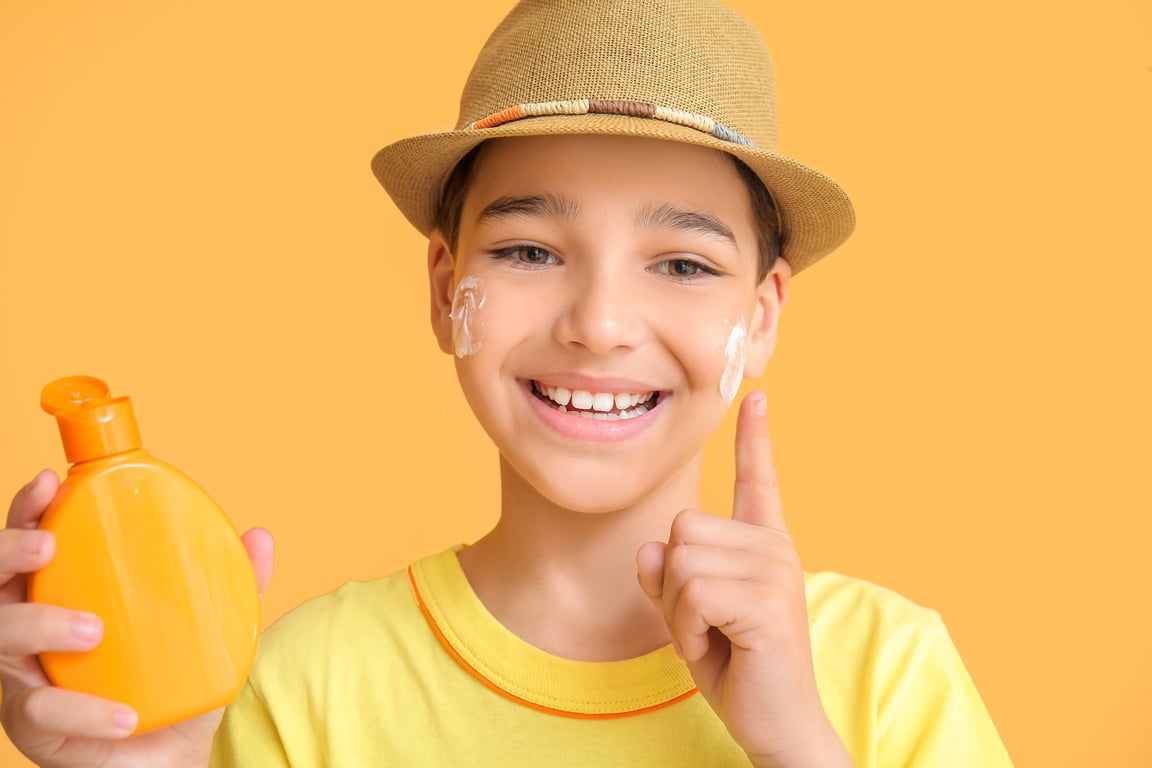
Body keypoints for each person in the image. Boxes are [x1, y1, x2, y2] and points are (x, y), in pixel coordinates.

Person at [1, 0, 1013, 765]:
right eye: (530, 251)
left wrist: (797, 740)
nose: (600, 325)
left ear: (762, 316)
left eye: (684, 264)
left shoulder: (886, 675)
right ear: (447, 290)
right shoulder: (299, 689)